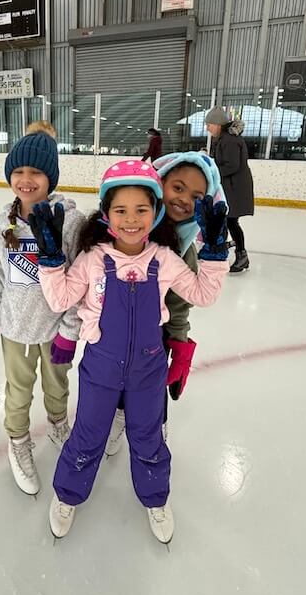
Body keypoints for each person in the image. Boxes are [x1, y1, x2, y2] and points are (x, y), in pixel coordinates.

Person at [29, 160, 229, 543]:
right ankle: (68, 495)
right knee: (87, 436)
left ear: (155, 212)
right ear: (106, 214)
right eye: (121, 210)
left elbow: (204, 294)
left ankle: (155, 498)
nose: (131, 219)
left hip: (148, 370)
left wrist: (215, 254)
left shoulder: (163, 259)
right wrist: (52, 261)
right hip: (100, 367)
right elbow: (59, 300)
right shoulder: (94, 259)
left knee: (148, 437)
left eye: (142, 209)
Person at [0, 124, 85, 496]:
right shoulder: (1, 225)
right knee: (18, 392)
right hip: (14, 329)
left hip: (55, 329)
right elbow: (1, 279)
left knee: (57, 386)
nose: (26, 180)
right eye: (18, 171)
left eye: (36, 172)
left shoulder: (71, 223)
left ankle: (58, 423)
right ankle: (18, 440)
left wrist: (71, 332)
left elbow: (79, 284)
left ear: (51, 177)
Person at [104, 151, 226, 455]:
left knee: (152, 386)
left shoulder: (182, 249)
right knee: (117, 379)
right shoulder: (127, 223)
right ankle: (119, 413)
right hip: (114, 327)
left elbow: (182, 303)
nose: (184, 199)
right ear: (160, 183)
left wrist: (179, 345)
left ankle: (155, 425)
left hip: (151, 333)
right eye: (179, 187)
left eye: (197, 196)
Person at [205, 107, 254, 273]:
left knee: (230, 221)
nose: (207, 128)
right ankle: (228, 252)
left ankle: (241, 256)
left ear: (218, 124)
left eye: (209, 124)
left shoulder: (229, 140)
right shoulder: (225, 138)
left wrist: (212, 171)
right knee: (228, 221)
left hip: (234, 188)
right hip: (232, 186)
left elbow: (232, 165)